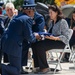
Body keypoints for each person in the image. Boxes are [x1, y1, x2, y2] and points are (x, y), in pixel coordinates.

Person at [1, 1, 40, 75]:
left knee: (14, 67)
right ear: (29, 11)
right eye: (34, 10)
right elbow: (30, 38)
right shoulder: (27, 19)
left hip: (8, 43)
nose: (34, 12)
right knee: (17, 70)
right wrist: (36, 36)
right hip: (14, 46)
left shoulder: (18, 17)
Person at [31, 5, 71, 74]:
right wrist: (43, 35)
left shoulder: (62, 22)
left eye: (51, 13)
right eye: (49, 13)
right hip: (52, 41)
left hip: (60, 42)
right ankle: (38, 66)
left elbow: (66, 37)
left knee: (40, 46)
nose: (50, 14)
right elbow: (50, 34)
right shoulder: (52, 22)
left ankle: (45, 67)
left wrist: (56, 38)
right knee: (35, 44)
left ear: (56, 13)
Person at [21, 0, 45, 74]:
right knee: (23, 43)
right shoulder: (23, 16)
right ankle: (20, 66)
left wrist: (30, 35)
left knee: (35, 44)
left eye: (28, 9)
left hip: (36, 38)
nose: (26, 11)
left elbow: (38, 31)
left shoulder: (39, 18)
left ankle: (38, 66)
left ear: (33, 9)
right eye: (25, 9)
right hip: (27, 37)